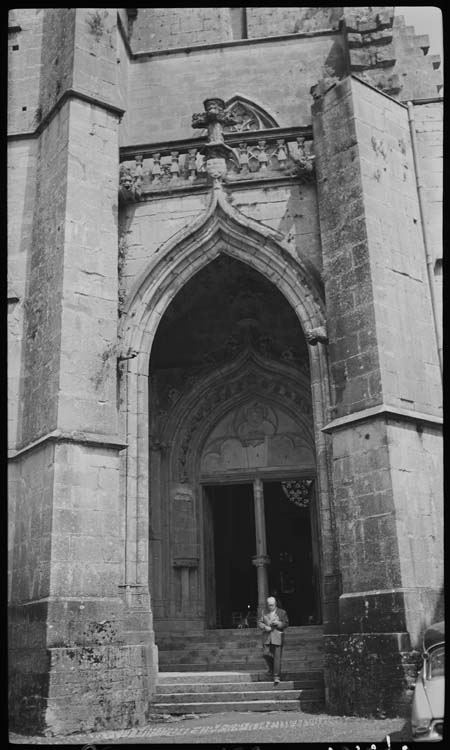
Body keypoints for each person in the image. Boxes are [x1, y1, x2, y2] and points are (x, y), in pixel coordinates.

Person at [258, 596, 289, 686]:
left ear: (275, 604)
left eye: (271, 605)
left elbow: (286, 623)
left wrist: (279, 623)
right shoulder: (264, 612)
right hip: (267, 637)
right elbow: (259, 622)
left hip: (277, 636)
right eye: (268, 605)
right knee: (265, 654)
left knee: (277, 658)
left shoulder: (282, 612)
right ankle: (272, 668)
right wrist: (264, 627)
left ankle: (276, 676)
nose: (270, 607)